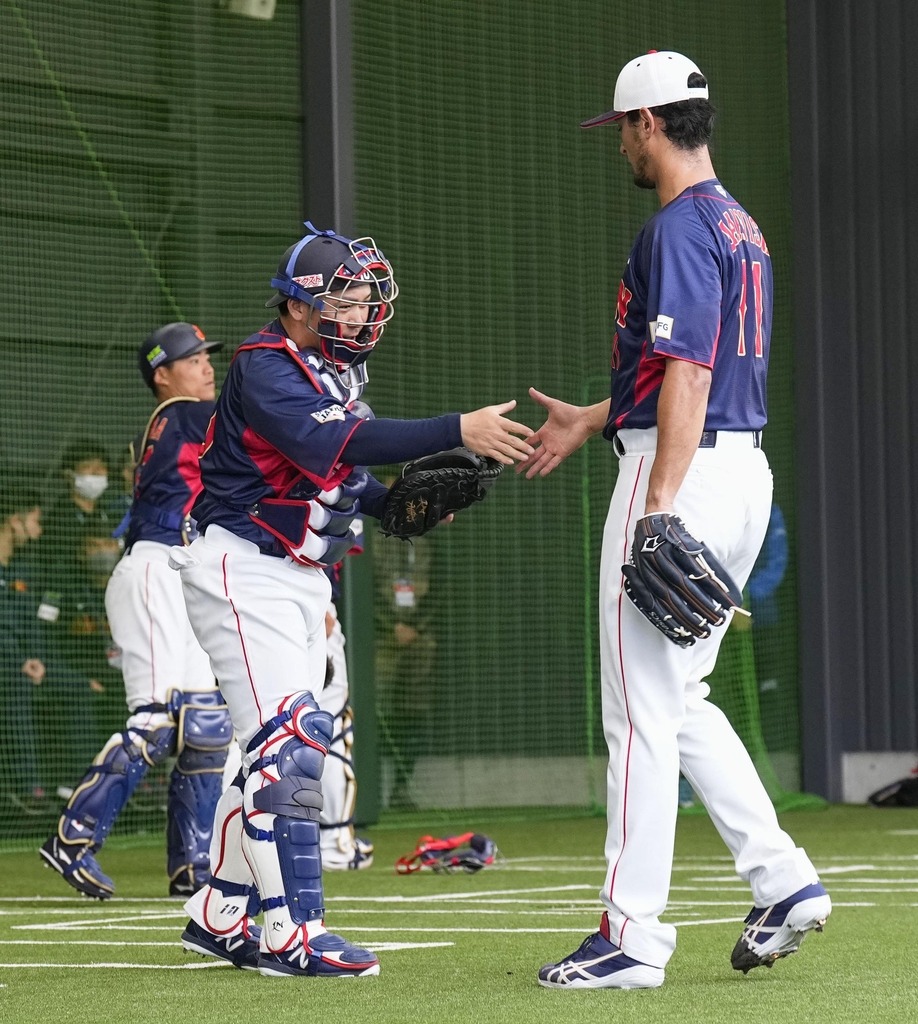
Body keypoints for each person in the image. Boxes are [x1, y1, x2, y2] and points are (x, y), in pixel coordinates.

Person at [521, 52, 830, 989]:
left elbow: (690, 372)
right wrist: (599, 415)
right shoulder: (741, 223)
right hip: (741, 473)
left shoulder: (677, 227)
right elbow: (686, 375)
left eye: (621, 127)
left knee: (638, 714)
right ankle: (783, 881)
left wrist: (656, 508)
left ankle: (630, 937)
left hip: (680, 473)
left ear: (647, 124)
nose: (620, 141)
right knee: (680, 698)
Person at [171, 223, 533, 978]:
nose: (364, 310)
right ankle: (291, 933)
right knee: (290, 743)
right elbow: (338, 444)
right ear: (301, 306)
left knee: (270, 749)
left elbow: (335, 475)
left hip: (296, 577)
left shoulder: (329, 371)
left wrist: (391, 506)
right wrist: (457, 428)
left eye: (368, 297)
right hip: (244, 568)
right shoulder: (265, 364)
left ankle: (218, 915)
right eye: (348, 297)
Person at [41, 323, 233, 900]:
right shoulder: (183, 412)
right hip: (154, 568)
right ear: (162, 375)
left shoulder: (187, 420)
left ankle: (192, 867)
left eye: (205, 357)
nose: (205, 365)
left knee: (206, 725)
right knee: (155, 718)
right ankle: (73, 838)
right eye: (190, 358)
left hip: (186, 575)